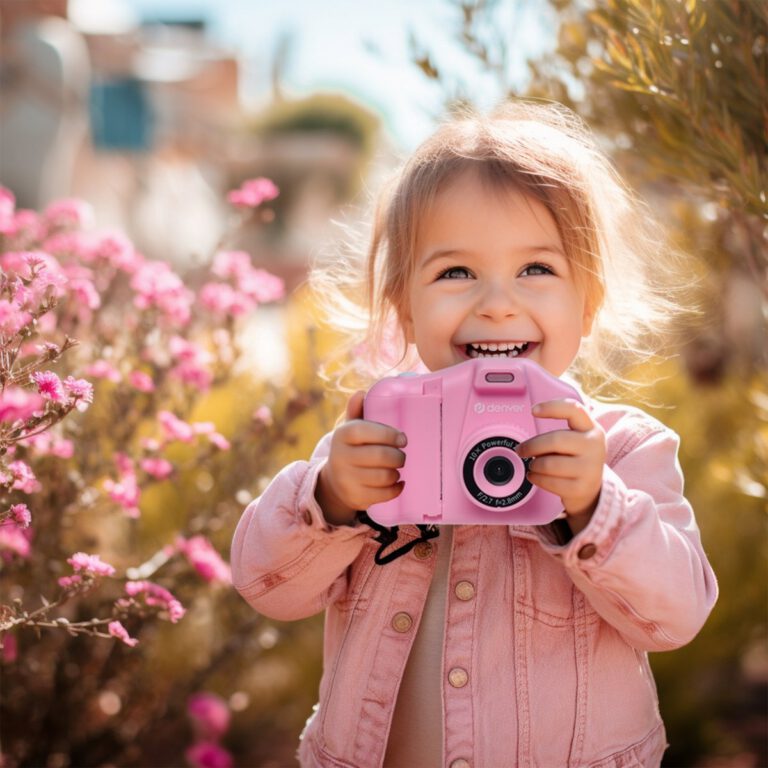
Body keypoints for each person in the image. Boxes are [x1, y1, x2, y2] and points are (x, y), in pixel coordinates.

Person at [231, 101, 718, 768]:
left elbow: (675, 617)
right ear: (403, 304)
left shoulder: (624, 448)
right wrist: (331, 499)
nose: (496, 302)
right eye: (455, 272)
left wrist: (593, 509)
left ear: (589, 301)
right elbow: (268, 587)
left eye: (536, 269)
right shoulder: (377, 437)